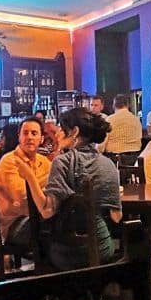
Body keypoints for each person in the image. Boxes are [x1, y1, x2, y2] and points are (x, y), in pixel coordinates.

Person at [15, 107, 121, 270]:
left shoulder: (63, 162)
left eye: (62, 128)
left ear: (74, 132)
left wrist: (29, 177)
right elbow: (116, 217)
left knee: (40, 242)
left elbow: (47, 211)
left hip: (68, 253)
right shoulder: (108, 164)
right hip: (102, 248)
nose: (57, 133)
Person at [0, 117, 51, 252]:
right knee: (55, 227)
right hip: (15, 225)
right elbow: (22, 196)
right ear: (19, 137)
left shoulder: (43, 161)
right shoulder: (9, 161)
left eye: (34, 133)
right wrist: (49, 178)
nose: (29, 137)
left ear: (41, 139)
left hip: (38, 216)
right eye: (25, 133)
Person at [99, 94, 142, 163]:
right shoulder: (136, 120)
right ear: (128, 105)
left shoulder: (110, 120)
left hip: (115, 160)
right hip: (135, 160)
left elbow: (101, 146)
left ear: (114, 106)